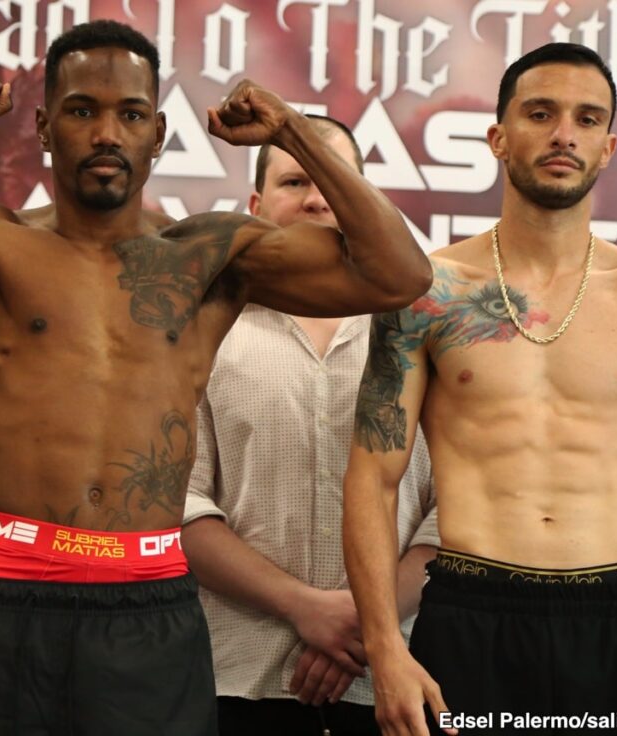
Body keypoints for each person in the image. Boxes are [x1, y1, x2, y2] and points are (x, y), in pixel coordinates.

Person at [0, 19, 431, 736]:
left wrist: (293, 132)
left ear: (160, 135)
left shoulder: (208, 255)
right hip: (9, 599)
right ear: (47, 129)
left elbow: (396, 273)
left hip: (148, 602)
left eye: (131, 114)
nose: (107, 132)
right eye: (83, 111)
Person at [343, 42, 617, 736]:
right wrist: (384, 648)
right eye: (540, 113)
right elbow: (373, 477)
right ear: (498, 137)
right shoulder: (428, 290)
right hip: (470, 614)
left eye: (587, 120)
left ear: (609, 146)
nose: (564, 134)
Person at [181, 115, 438, 736]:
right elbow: (179, 505)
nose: (318, 197)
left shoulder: (420, 328)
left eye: (334, 179)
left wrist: (365, 622)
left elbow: (456, 511)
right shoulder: (200, 327)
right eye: (296, 180)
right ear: (255, 204)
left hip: (399, 677)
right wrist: (307, 610)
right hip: (238, 678)